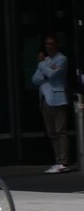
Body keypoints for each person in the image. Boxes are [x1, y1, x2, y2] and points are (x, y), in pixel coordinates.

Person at [32, 35, 72, 174]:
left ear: (56, 45)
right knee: (52, 132)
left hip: (57, 98)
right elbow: (35, 79)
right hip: (45, 99)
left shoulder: (62, 59)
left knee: (61, 131)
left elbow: (54, 75)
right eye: (47, 44)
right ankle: (57, 160)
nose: (49, 46)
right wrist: (47, 71)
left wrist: (43, 65)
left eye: (51, 43)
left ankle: (63, 162)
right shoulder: (47, 61)